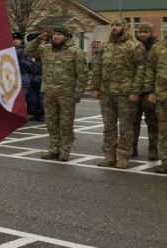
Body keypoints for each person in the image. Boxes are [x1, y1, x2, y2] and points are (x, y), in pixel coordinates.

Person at [24, 27, 88, 161]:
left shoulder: (74, 52)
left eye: (59, 35)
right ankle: (53, 149)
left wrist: (77, 94)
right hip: (49, 92)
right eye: (54, 35)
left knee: (66, 124)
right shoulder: (46, 49)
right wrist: (37, 40)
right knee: (51, 123)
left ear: (66, 37)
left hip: (67, 94)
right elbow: (28, 51)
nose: (56, 37)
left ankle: (65, 151)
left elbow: (82, 75)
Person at [91, 19, 145, 169]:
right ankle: (109, 155)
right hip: (107, 92)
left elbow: (141, 69)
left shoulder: (134, 45)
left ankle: (124, 156)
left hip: (125, 93)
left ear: (125, 28)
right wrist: (95, 87)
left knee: (126, 127)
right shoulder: (106, 45)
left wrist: (135, 91)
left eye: (117, 25)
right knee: (108, 126)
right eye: (112, 25)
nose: (114, 28)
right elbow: (97, 67)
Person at [133, 22, 159, 160]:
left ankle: (153, 149)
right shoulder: (133, 46)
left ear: (151, 33)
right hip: (135, 91)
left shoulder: (158, 48)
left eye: (146, 32)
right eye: (140, 32)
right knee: (132, 122)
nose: (142, 34)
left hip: (151, 93)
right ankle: (132, 148)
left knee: (153, 123)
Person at [142, 31, 167, 173]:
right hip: (162, 96)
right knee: (163, 131)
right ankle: (165, 162)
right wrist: (150, 91)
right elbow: (150, 70)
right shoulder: (158, 48)